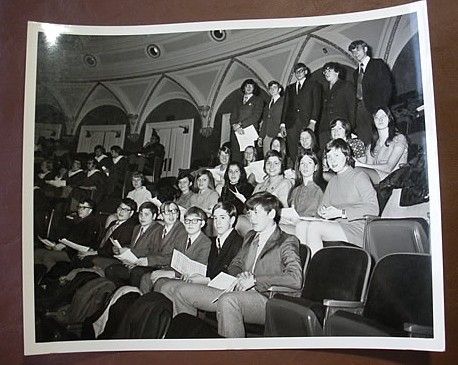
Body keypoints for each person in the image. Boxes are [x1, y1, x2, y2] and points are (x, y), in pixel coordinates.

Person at [160, 192, 302, 338]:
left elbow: (295, 278)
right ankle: (186, 348)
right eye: (250, 212)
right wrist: (240, 275)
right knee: (182, 292)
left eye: (256, 212)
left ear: (271, 213)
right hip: (238, 291)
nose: (251, 217)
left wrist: (254, 280)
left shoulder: (287, 241)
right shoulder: (250, 236)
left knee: (228, 301)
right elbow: (236, 264)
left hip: (267, 298)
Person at [295, 139, 379, 255]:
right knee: (301, 226)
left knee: (315, 228)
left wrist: (341, 213)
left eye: (336, 155)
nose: (332, 160)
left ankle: (316, 270)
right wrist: (322, 211)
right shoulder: (333, 181)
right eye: (329, 157)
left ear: (346, 156)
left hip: (357, 228)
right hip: (337, 225)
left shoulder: (359, 176)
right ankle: (302, 270)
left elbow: (374, 209)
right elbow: (321, 209)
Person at [158, 202, 243, 312]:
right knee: (166, 287)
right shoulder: (216, 240)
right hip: (209, 281)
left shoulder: (238, 242)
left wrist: (206, 279)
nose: (218, 222)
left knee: (180, 290)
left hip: (223, 290)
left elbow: (231, 273)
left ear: (232, 220)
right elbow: (210, 268)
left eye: (222, 217)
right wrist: (199, 275)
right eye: (215, 218)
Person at [142, 206, 212, 292]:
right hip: (174, 270)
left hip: (189, 278)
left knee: (161, 282)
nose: (190, 224)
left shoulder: (206, 243)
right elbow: (173, 258)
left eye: (194, 221)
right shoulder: (181, 237)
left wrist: (173, 274)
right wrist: (162, 270)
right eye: (187, 221)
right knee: (146, 278)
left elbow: (198, 269)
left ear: (202, 224)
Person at [104, 202, 163, 286]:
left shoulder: (158, 229)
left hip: (147, 264)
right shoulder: (137, 227)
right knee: (110, 270)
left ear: (154, 216)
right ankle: (121, 291)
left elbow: (154, 251)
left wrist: (131, 253)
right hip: (132, 261)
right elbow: (133, 246)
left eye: (146, 214)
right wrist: (120, 249)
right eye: (141, 214)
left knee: (135, 273)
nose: (142, 217)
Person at [34, 198, 100, 271]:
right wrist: (56, 244)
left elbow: (85, 242)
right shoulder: (79, 220)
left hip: (75, 254)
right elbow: (70, 237)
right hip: (69, 249)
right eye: (79, 207)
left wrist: (64, 246)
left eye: (83, 208)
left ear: (90, 210)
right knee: (37, 253)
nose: (80, 210)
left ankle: (52, 277)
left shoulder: (92, 223)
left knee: (48, 256)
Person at [349, 40, 394, 146]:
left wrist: (381, 108)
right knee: (365, 138)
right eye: (353, 52)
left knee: (379, 137)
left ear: (365, 49)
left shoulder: (378, 64)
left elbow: (387, 86)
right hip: (361, 109)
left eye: (358, 50)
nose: (356, 54)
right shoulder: (356, 73)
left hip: (376, 108)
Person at [78, 198, 137, 269]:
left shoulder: (129, 227)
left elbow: (113, 249)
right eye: (120, 208)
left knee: (85, 260)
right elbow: (102, 240)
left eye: (125, 210)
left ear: (131, 213)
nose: (121, 212)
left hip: (112, 257)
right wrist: (92, 249)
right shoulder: (113, 223)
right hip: (100, 252)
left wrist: (93, 253)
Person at [354, 107, 408, 184]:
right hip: (377, 178)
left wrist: (361, 165)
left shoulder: (399, 138)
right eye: (377, 117)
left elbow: (389, 167)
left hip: (392, 180)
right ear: (374, 121)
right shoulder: (371, 145)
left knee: (356, 171)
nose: (380, 119)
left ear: (389, 119)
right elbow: (368, 166)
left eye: (383, 116)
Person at [282, 62, 322, 162]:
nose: (298, 73)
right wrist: (282, 124)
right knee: (293, 149)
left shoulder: (314, 85)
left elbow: (317, 105)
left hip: (307, 122)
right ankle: (296, 170)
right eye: (296, 72)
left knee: (308, 146)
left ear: (306, 71)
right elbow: (285, 107)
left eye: (301, 71)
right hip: (291, 124)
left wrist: (313, 122)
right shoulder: (289, 88)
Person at [320, 62, 355, 148]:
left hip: (341, 127)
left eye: (329, 70)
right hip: (326, 128)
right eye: (325, 71)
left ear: (337, 72)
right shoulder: (324, 89)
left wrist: (351, 128)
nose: (326, 73)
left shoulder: (346, 85)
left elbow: (352, 108)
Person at [230, 79, 264, 162]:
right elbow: (232, 116)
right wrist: (235, 126)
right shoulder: (238, 100)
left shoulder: (258, 100)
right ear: (243, 88)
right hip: (236, 133)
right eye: (246, 85)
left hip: (249, 132)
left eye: (251, 86)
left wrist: (241, 124)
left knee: (249, 158)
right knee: (236, 157)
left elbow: (256, 116)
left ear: (254, 88)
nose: (248, 87)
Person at [258, 81, 285, 157]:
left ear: (279, 89)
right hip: (267, 136)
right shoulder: (268, 104)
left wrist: (280, 134)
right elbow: (265, 121)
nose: (272, 89)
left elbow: (285, 118)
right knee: (267, 157)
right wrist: (261, 137)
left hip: (277, 134)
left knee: (278, 157)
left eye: (275, 87)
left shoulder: (284, 101)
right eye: (270, 88)